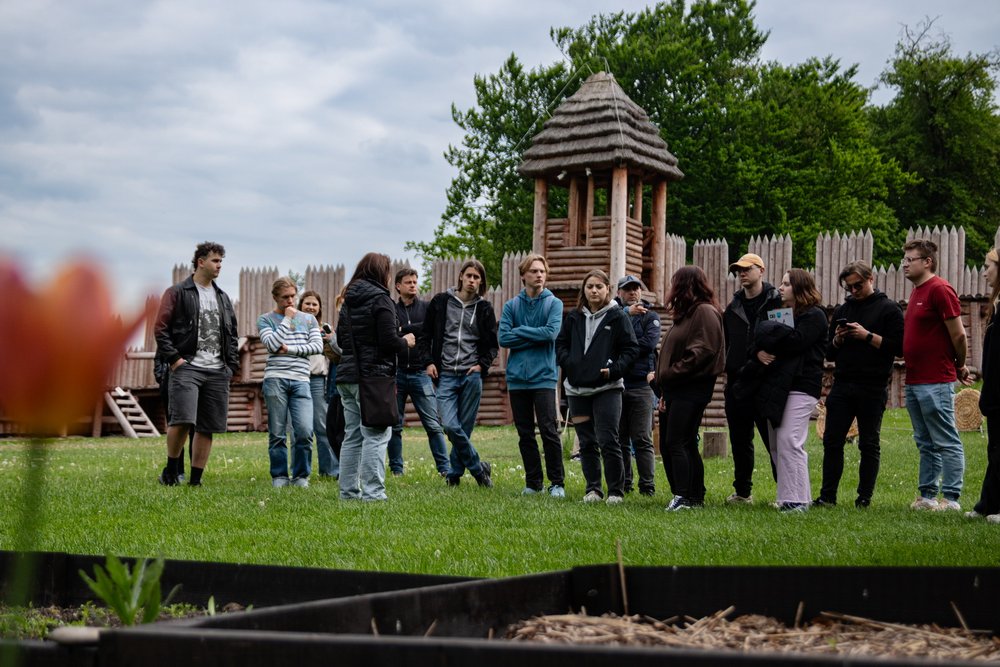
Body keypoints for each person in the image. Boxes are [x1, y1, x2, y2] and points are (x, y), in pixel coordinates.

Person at [814, 261, 904, 509]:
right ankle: (827, 496)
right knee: (832, 440)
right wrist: (839, 339)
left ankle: (864, 498)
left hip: (873, 386)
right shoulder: (844, 309)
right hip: (842, 384)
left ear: (870, 279)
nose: (853, 291)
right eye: (849, 287)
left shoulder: (889, 310)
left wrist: (866, 336)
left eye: (858, 285)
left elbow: (898, 348)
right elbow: (829, 354)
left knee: (868, 443)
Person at [738, 269, 826, 513]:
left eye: (787, 284)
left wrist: (768, 331)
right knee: (777, 444)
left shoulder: (815, 316)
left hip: (801, 386)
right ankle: (790, 497)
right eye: (781, 283)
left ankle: (797, 500)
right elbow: (756, 342)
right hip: (777, 386)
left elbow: (795, 342)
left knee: (790, 440)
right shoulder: (783, 314)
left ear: (800, 288)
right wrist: (759, 351)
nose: (780, 287)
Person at [154, 241, 238, 487]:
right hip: (187, 366)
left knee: (207, 426)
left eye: (221, 261)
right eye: (215, 260)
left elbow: (232, 334)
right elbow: (160, 329)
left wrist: (230, 366)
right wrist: (175, 359)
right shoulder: (177, 292)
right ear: (200, 262)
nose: (219, 265)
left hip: (217, 370)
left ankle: (196, 480)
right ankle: (171, 470)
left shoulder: (222, 297)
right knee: (182, 419)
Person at [337, 253, 416, 501]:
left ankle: (348, 493)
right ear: (382, 272)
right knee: (377, 434)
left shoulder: (348, 300)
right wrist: (406, 341)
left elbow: (340, 340)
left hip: (347, 376)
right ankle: (373, 493)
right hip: (373, 377)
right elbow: (388, 341)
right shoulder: (381, 300)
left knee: (353, 435)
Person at [556, 269, 639, 504]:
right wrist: (570, 363)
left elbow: (631, 350)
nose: (594, 290)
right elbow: (561, 344)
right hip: (576, 390)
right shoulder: (573, 317)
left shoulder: (617, 317)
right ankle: (593, 489)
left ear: (608, 290)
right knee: (587, 442)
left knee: (608, 439)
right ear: (584, 289)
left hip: (607, 389)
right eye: (590, 286)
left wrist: (614, 370)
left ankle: (615, 491)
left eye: (599, 287)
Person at [902, 239, 971, 511]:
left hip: (936, 380)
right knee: (925, 441)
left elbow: (959, 335)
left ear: (927, 262)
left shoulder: (940, 290)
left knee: (945, 440)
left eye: (911, 259)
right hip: (915, 380)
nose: (905, 264)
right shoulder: (917, 292)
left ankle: (951, 498)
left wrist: (960, 365)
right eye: (904, 259)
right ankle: (928, 497)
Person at [422, 259, 498, 488]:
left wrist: (482, 365)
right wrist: (428, 362)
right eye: (469, 276)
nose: (472, 281)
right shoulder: (441, 302)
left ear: (481, 282)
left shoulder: (484, 309)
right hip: (445, 373)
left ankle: (454, 474)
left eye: (477, 278)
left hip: (471, 375)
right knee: (450, 426)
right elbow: (425, 335)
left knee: (464, 427)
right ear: (461, 277)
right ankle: (478, 469)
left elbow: (493, 344)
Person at [656, 267, 725, 511]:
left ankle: (684, 495)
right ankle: (693, 496)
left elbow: (702, 352)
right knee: (676, 442)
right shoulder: (687, 314)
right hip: (676, 389)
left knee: (678, 441)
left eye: (675, 283)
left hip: (691, 388)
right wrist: (665, 389)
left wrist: (666, 374)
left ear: (686, 285)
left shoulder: (704, 312)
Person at [498, 253, 565, 497]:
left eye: (542, 271)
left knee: (549, 431)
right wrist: (532, 334)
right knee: (524, 433)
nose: (539, 275)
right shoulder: (511, 306)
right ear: (523, 275)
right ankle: (533, 483)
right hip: (517, 379)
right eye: (534, 271)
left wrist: (521, 331)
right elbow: (503, 338)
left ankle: (557, 483)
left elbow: (550, 334)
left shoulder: (554, 304)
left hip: (544, 377)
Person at [723, 253, 781, 504]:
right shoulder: (732, 307)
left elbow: (784, 338)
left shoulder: (777, 304)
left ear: (761, 270)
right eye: (738, 270)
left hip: (766, 382)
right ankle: (743, 492)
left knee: (774, 443)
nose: (742, 274)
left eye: (747, 269)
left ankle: (787, 492)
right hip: (737, 382)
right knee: (739, 441)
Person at [258, 278, 324, 488]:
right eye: (285, 297)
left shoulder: (308, 320)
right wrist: (286, 320)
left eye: (293, 296)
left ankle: (301, 475)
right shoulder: (265, 319)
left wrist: (292, 350)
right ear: (275, 297)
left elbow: (317, 346)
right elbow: (272, 345)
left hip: (301, 380)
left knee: (305, 430)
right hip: (275, 379)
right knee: (277, 432)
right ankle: (279, 476)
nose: (290, 301)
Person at [387, 268, 451, 477]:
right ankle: (397, 470)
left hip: (420, 372)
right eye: (408, 282)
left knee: (433, 424)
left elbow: (428, 329)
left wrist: (403, 329)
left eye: (415, 281)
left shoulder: (426, 307)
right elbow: (389, 333)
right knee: (394, 426)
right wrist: (411, 329)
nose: (413, 285)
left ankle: (445, 469)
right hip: (395, 373)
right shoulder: (391, 309)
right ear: (398, 286)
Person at [614, 275, 661, 497]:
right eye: (627, 289)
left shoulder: (651, 317)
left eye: (636, 289)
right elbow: (607, 341)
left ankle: (647, 486)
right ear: (619, 293)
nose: (633, 293)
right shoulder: (614, 316)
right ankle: (625, 484)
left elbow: (649, 344)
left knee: (642, 437)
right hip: (618, 384)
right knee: (620, 437)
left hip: (642, 385)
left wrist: (624, 349)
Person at [968, 248, 1000, 523]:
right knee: (995, 449)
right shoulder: (997, 304)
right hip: (995, 390)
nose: (984, 271)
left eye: (988, 266)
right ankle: (987, 504)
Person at [298, 290, 339, 479]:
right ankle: (301, 472)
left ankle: (329, 470)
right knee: (300, 429)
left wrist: (329, 341)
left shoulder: (326, 328)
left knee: (322, 426)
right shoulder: (294, 325)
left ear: (320, 308)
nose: (311, 307)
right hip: (298, 376)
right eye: (307, 303)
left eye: (314, 304)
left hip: (318, 379)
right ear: (300, 305)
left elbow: (336, 354)